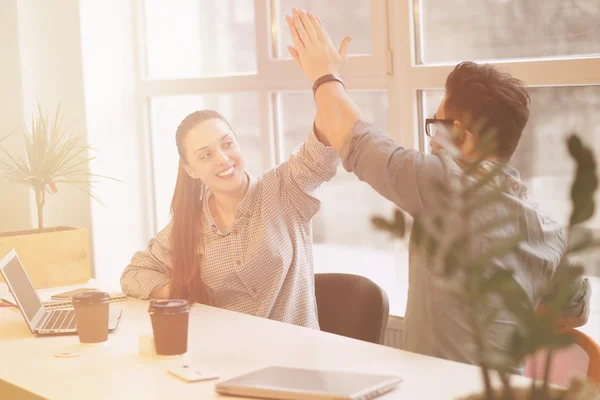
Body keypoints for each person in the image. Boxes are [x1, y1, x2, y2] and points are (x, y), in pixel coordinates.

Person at [285, 8, 591, 364]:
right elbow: (575, 311)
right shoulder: (548, 230)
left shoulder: (442, 185)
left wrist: (323, 74)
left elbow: (351, 135)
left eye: (437, 124)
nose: (430, 142)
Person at [120, 109, 340, 329]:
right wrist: (179, 291)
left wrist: (324, 81)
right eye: (206, 155)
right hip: (228, 356)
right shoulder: (188, 226)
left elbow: (321, 150)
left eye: (227, 144)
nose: (223, 159)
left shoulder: (283, 189)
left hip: (295, 354)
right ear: (191, 170)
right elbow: (133, 274)